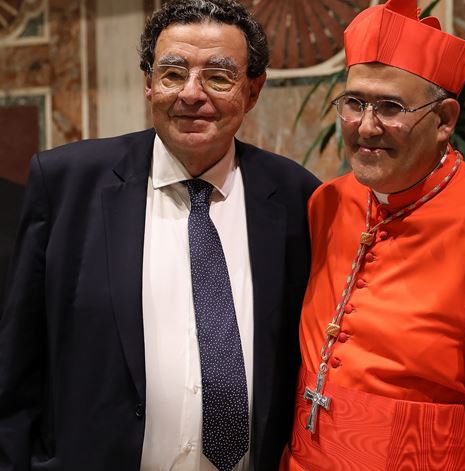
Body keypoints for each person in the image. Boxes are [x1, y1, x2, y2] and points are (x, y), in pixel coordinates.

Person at [0, 1, 319, 469]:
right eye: (173, 73)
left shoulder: (296, 198)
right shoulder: (66, 183)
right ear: (149, 83)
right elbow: (17, 366)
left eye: (218, 76)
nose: (192, 94)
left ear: (253, 90)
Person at [282, 0, 465, 469]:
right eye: (354, 102)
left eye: (391, 107)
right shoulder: (329, 203)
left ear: (445, 120)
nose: (366, 126)